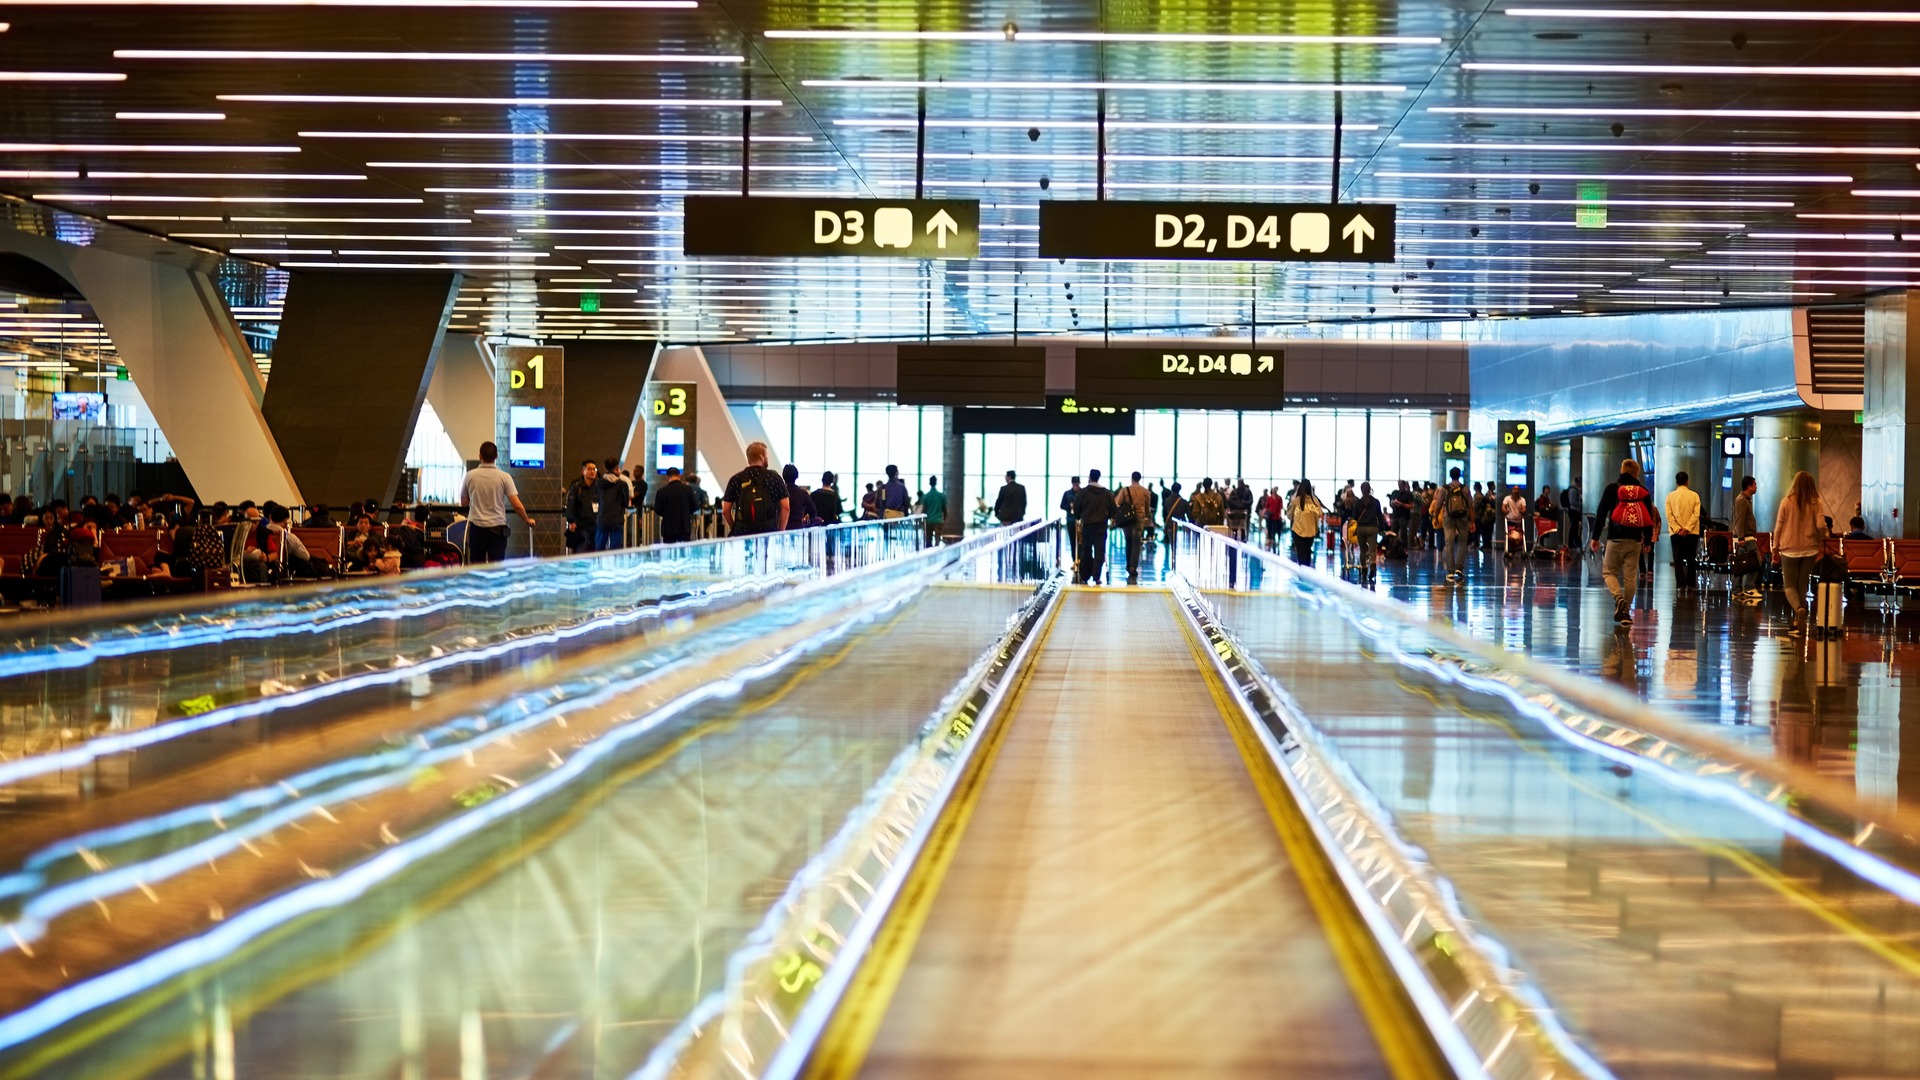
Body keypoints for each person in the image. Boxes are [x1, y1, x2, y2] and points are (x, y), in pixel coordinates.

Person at [1593, 459, 1658, 626]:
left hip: (1615, 538)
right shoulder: (1642, 491)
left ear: (1622, 471)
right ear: (1636, 473)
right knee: (1631, 577)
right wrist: (1648, 540)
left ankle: (1618, 597)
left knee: (1609, 572)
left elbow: (1601, 513)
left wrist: (1595, 537)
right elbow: (1649, 517)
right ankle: (1625, 612)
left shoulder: (1612, 488)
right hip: (1635, 540)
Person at [1771, 470, 1831, 637]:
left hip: (1789, 549)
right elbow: (1820, 524)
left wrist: (1775, 548)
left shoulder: (1786, 502)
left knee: (1789, 585)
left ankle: (1799, 610)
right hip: (1810, 548)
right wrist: (1823, 535)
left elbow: (1778, 527)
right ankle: (1798, 624)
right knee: (1802, 585)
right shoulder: (1816, 502)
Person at [458, 440, 535, 564]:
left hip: (477, 529)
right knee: (497, 567)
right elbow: (516, 504)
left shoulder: (470, 476)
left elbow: (463, 502)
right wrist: (527, 519)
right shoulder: (504, 477)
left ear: (480, 456)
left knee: (477, 566)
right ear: (496, 457)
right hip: (497, 530)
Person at [721, 441, 790, 536]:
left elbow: (725, 510)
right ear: (762, 457)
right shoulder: (774, 478)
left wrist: (734, 528)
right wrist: (780, 532)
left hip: (743, 533)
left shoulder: (736, 479)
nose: (768, 458)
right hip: (768, 533)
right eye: (766, 455)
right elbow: (786, 507)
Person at [1073, 468, 1115, 585]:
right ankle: (1097, 576)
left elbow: (1076, 509)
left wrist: (1079, 516)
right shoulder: (1107, 493)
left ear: (1089, 477)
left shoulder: (1083, 493)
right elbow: (1113, 510)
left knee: (1086, 549)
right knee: (1099, 551)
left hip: (1087, 525)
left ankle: (1085, 576)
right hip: (1101, 526)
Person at [1665, 471, 1703, 587]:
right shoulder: (1694, 495)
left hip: (1676, 533)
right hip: (1692, 532)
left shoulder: (1670, 496)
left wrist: (1678, 529)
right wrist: (1687, 528)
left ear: (1676, 482)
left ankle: (1680, 584)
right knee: (1691, 559)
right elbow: (1696, 514)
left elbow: (1669, 515)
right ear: (1687, 482)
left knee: (1678, 559)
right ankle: (1691, 583)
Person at [1438, 467, 1472, 582]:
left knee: (1449, 543)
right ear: (1460, 475)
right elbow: (1470, 506)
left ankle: (1450, 571)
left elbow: (1438, 504)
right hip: (1463, 517)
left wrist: (1435, 517)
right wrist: (1472, 521)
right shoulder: (1465, 489)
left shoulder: (1444, 489)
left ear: (1450, 475)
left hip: (1449, 517)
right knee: (1463, 542)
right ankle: (1459, 568)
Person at [1732, 474, 1762, 603]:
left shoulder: (1745, 500)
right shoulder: (1741, 501)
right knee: (1756, 561)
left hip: (1745, 537)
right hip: (1746, 537)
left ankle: (1737, 590)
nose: (1756, 487)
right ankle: (1749, 587)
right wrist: (1741, 538)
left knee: (1741, 564)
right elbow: (1740, 520)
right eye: (1755, 485)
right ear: (1749, 487)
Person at [1117, 471, 1151, 585]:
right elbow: (1147, 509)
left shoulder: (1125, 490)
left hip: (1127, 520)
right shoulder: (1145, 492)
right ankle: (1133, 567)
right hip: (1139, 520)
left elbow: (1117, 502)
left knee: (1128, 542)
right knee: (1137, 543)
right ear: (1140, 479)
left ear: (1132, 478)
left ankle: (1128, 565)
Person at [1352, 481, 1386, 585]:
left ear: (1361, 490)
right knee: (1372, 551)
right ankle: (1372, 565)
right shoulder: (1376, 502)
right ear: (1370, 489)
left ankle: (1364, 569)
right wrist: (1382, 529)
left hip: (1361, 528)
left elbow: (1354, 517)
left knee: (1362, 551)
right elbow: (1380, 516)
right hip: (1372, 528)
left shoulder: (1358, 502)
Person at [653, 467, 697, 544]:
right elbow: (694, 507)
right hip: (684, 527)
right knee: (684, 552)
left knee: (669, 553)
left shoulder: (661, 491)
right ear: (679, 476)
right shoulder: (688, 489)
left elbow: (658, 510)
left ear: (667, 477)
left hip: (668, 528)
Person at [1287, 480, 1326, 567]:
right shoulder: (1315, 501)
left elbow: (1289, 515)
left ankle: (1302, 573)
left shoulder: (1296, 501)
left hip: (1297, 530)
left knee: (1300, 553)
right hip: (1311, 531)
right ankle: (1306, 572)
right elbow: (1320, 514)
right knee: (1307, 552)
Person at [594, 457, 630, 551]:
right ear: (617, 468)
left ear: (605, 468)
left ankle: (598, 565)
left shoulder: (598, 483)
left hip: (602, 519)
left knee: (599, 549)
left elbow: (595, 498)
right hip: (617, 519)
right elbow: (625, 502)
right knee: (615, 550)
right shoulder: (622, 484)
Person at [565, 459, 599, 554]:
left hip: (596, 524)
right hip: (581, 525)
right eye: (589, 469)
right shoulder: (577, 487)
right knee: (582, 549)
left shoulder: (599, 487)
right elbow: (570, 505)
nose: (592, 471)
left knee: (595, 550)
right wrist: (571, 521)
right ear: (583, 471)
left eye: (594, 469)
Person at [783, 464, 819, 530]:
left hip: (784, 527)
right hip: (798, 527)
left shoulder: (781, 492)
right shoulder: (803, 493)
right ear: (796, 476)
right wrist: (808, 520)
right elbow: (813, 511)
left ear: (783, 476)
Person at [917, 475, 946, 544]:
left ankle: (928, 552)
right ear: (936, 483)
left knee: (928, 540)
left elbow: (924, 510)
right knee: (937, 539)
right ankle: (937, 552)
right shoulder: (941, 496)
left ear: (929, 483)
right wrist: (943, 519)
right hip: (938, 520)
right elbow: (944, 509)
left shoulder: (926, 496)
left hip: (928, 521)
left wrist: (922, 521)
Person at [1562, 478, 1586, 550]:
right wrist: (1581, 503)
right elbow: (1572, 502)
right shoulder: (1573, 491)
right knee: (1575, 527)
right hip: (1573, 510)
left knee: (1573, 526)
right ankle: (1577, 542)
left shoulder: (1576, 491)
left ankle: (1571, 543)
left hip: (1575, 510)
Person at [1260, 487, 1285, 552]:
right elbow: (1267, 506)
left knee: (1276, 529)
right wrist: (1264, 512)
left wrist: (1280, 515)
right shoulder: (1270, 498)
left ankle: (1275, 541)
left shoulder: (1279, 498)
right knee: (1270, 528)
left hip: (1277, 516)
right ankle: (1271, 540)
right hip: (1270, 516)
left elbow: (1281, 507)